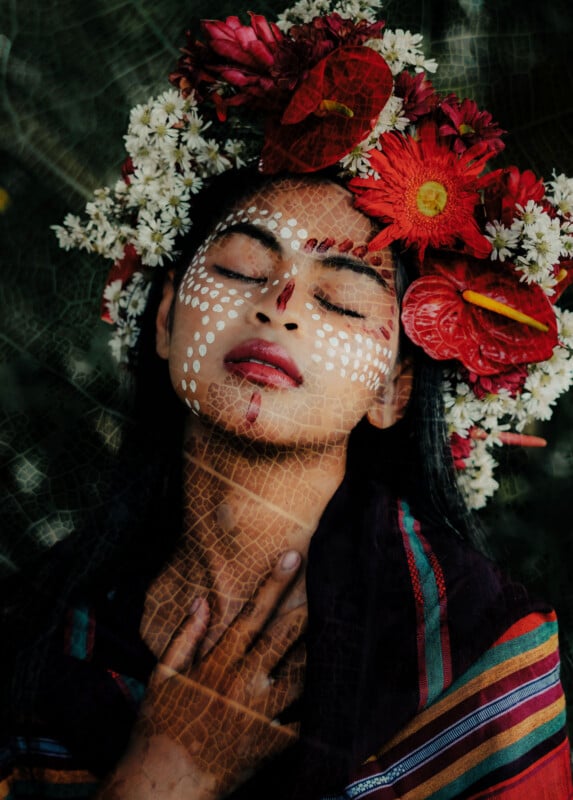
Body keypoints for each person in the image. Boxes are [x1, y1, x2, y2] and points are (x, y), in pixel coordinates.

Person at [2, 1, 573, 797]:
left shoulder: (475, 649)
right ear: (164, 319)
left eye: (339, 300)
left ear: (393, 389)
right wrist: (165, 770)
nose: (281, 306)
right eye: (240, 267)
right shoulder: (35, 630)